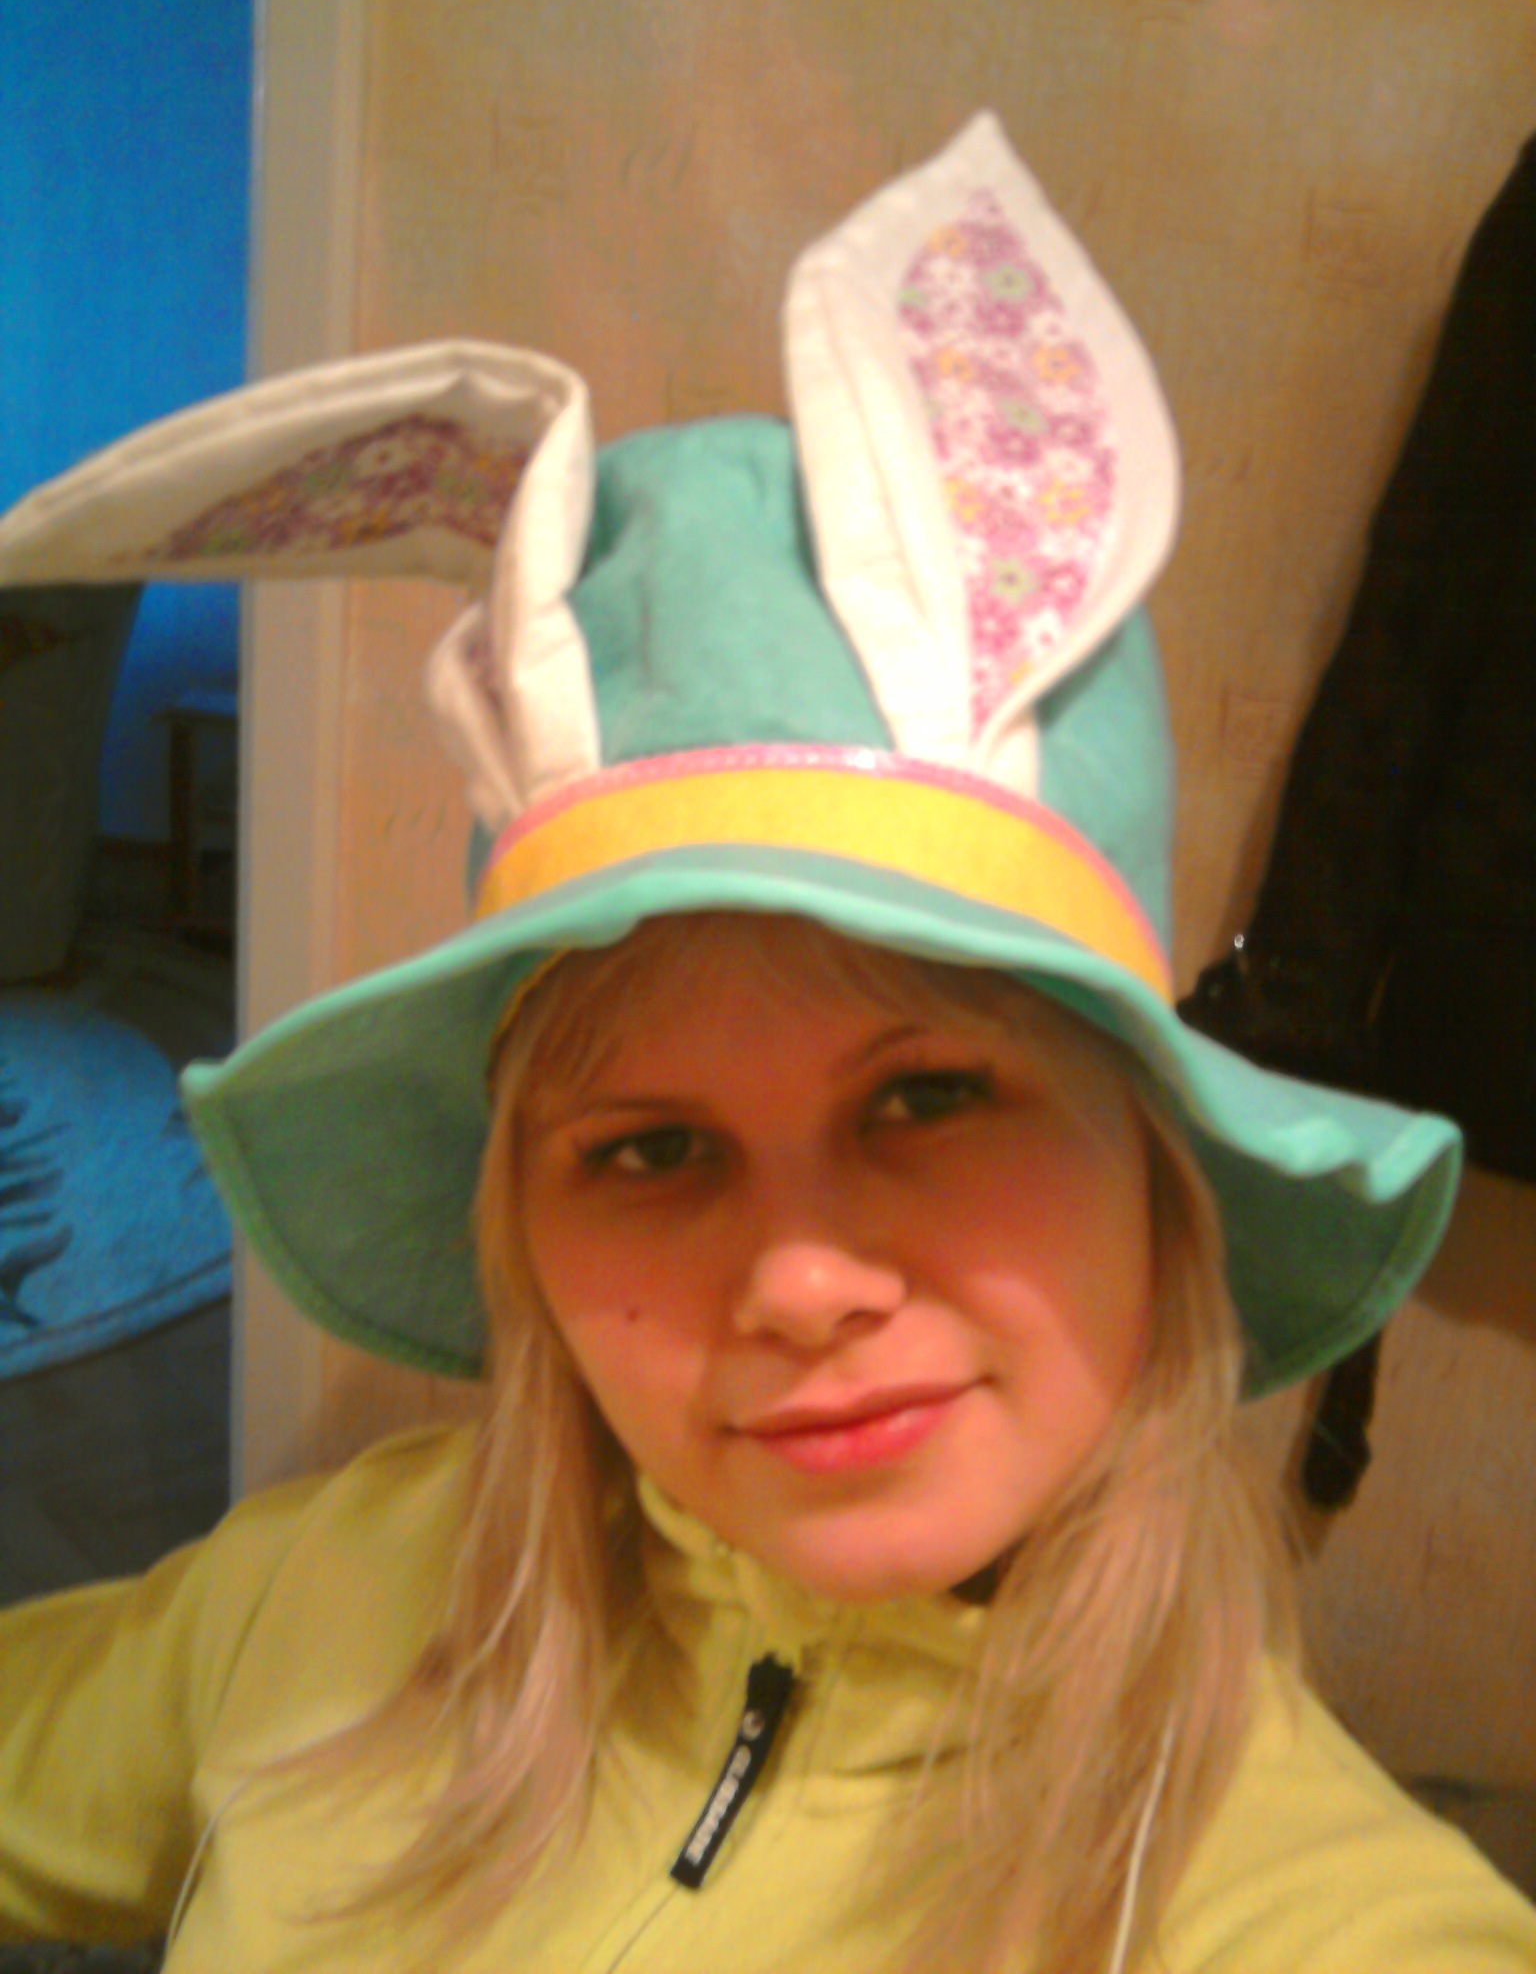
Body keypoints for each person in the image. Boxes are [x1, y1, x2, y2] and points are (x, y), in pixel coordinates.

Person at [2, 115, 1533, 1974]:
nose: (801, 1283)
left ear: (1155, 1159)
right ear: (523, 1223)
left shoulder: (1318, 1917)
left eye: (930, 1096)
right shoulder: (324, 1597)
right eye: (648, 1148)